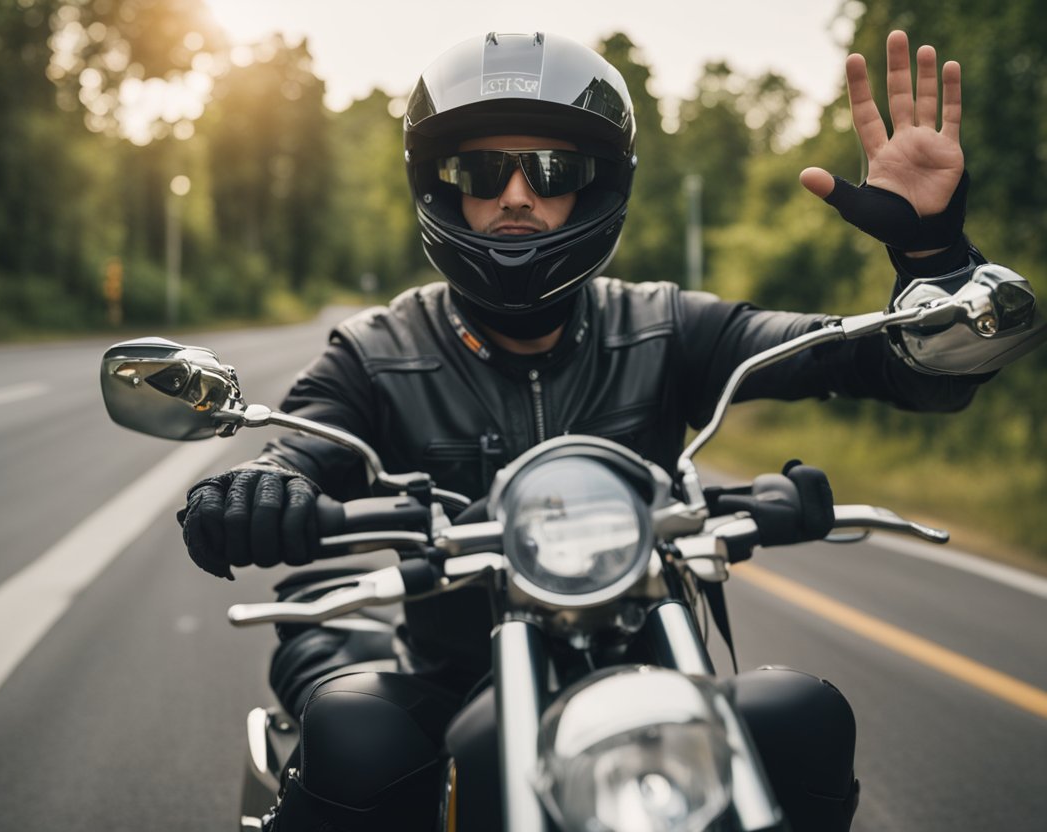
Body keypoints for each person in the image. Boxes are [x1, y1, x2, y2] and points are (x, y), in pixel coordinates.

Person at [180, 30, 987, 831]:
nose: (518, 195)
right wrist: (262, 486)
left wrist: (931, 256)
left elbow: (889, 366)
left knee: (800, 718)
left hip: (653, 664)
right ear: (442, 186)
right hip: (449, 680)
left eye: (554, 169)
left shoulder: (668, 327)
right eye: (483, 169)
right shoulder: (376, 350)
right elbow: (305, 442)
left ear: (595, 187)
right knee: (359, 739)